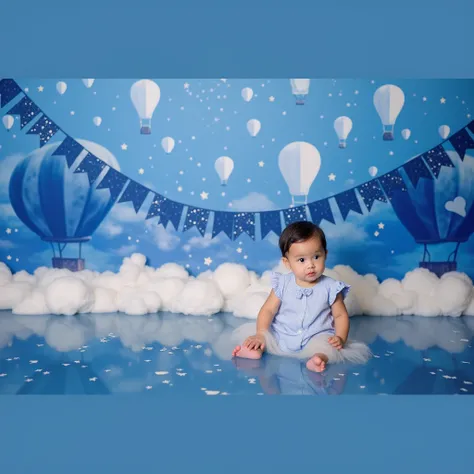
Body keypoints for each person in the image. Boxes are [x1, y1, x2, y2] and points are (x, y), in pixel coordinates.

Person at [231, 221, 371, 372]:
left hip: (315, 337)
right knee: (265, 338)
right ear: (287, 262)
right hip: (282, 335)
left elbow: (340, 315)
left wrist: (340, 338)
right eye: (302, 260)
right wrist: (260, 334)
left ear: (325, 254)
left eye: (316, 257)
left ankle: (318, 359)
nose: (310, 265)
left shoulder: (331, 287)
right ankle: (256, 349)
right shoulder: (282, 283)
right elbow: (268, 310)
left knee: (327, 347)